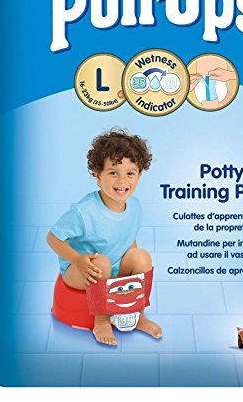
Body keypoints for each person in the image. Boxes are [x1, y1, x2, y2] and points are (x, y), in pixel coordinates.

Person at [47, 128, 162, 346]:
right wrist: (77, 260)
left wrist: (133, 268)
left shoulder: (135, 207)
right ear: (97, 175)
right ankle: (101, 319)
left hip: (114, 268)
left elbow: (128, 240)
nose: (122, 180)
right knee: (101, 263)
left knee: (142, 257)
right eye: (113, 172)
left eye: (130, 173)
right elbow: (53, 238)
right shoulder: (83, 212)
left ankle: (138, 316)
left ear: (139, 175)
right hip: (81, 270)